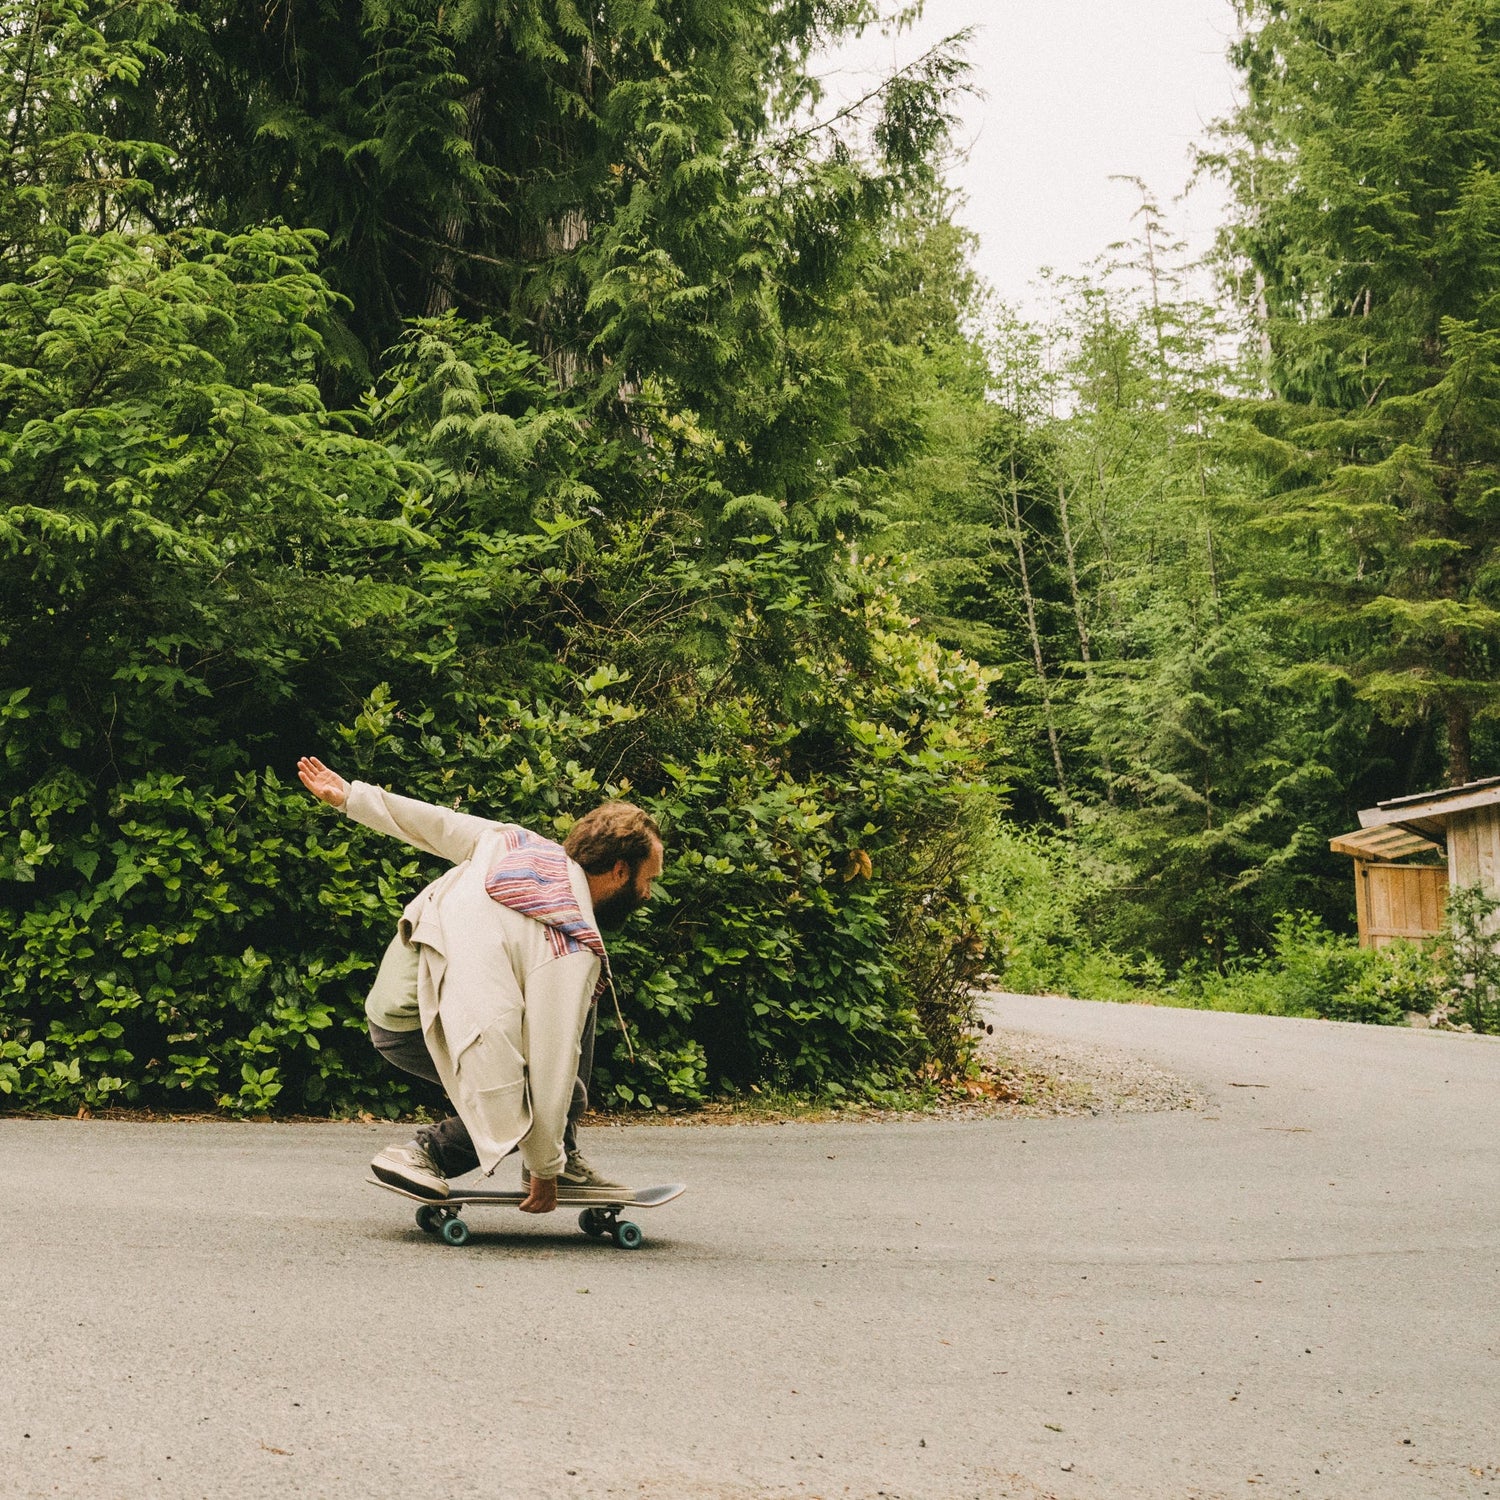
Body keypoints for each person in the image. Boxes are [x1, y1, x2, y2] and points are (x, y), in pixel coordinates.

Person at [296, 756, 663, 1214]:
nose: (648, 893)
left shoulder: (517, 845)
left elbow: (437, 824)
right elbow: (550, 1067)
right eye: (649, 879)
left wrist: (352, 797)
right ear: (621, 871)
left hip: (401, 993)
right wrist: (544, 1171)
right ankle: (422, 1154)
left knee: (572, 1036)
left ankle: (558, 1155)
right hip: (420, 1015)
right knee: (534, 1100)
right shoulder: (569, 942)